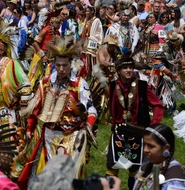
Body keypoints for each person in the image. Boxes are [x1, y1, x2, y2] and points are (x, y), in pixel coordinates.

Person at [18, 38, 98, 189]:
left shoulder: (79, 84)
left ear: (71, 65)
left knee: (69, 174)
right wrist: (29, 129)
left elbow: (91, 109)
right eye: (58, 65)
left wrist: (88, 125)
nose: (61, 69)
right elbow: (35, 109)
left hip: (73, 136)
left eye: (65, 66)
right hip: (50, 135)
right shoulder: (46, 82)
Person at [106, 57, 164, 190]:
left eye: (131, 68)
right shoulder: (113, 86)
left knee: (135, 170)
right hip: (118, 134)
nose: (129, 70)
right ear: (118, 70)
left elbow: (158, 106)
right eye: (125, 68)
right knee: (112, 167)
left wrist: (153, 127)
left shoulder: (142, 86)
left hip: (138, 134)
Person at [133, 123, 185, 190]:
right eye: (144, 144)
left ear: (166, 148)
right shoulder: (144, 168)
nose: (145, 150)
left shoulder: (175, 177)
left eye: (151, 146)